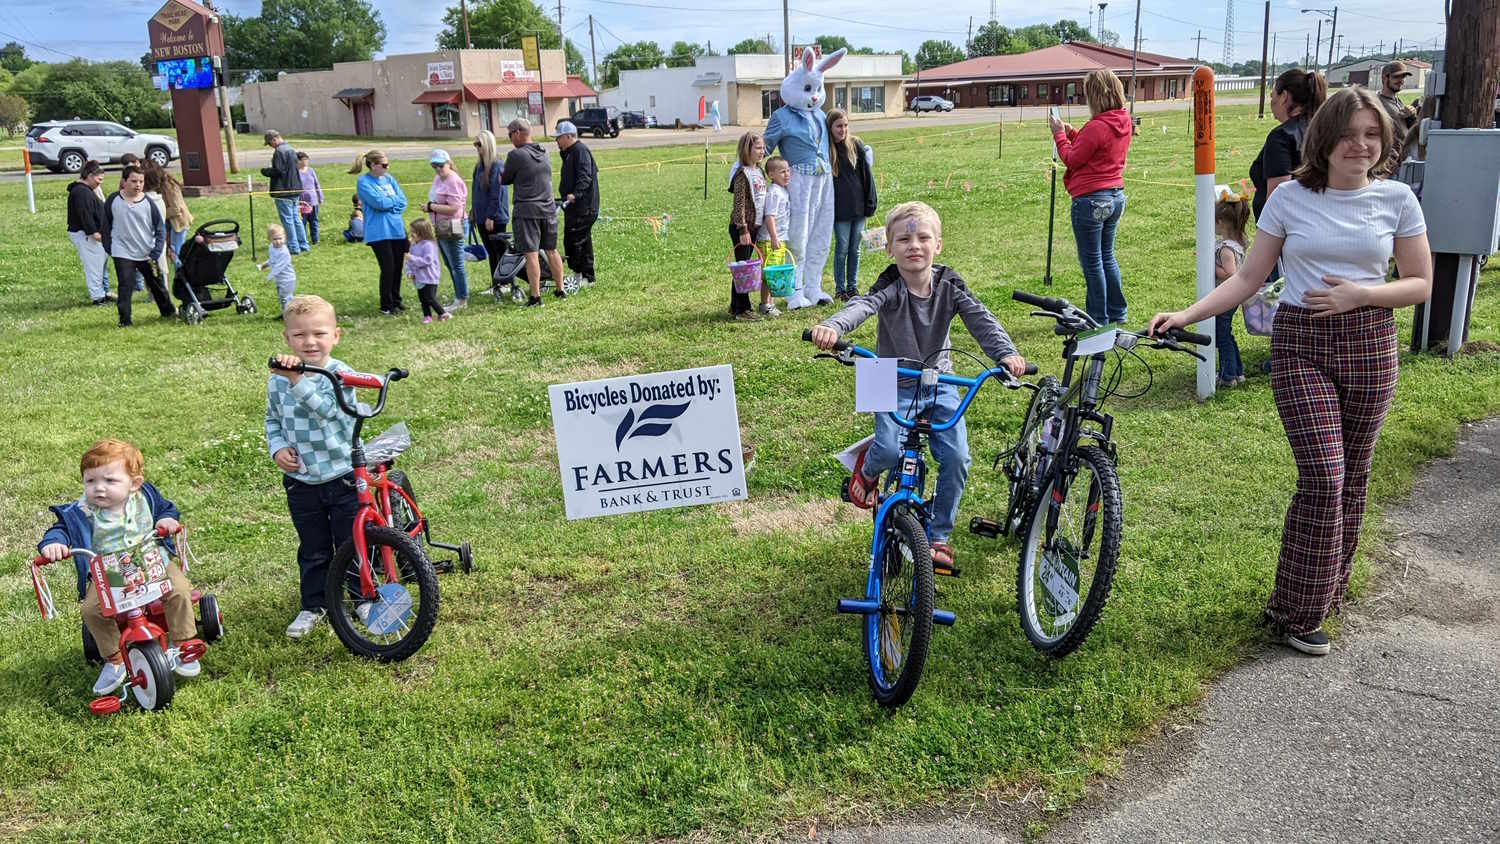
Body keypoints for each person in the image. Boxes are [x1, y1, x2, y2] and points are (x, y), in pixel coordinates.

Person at [1147, 87, 1432, 657]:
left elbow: (1420, 282)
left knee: (1353, 476)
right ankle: (1296, 611)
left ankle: (1328, 589)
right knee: (1324, 476)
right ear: (1324, 139)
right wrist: (1186, 314)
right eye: (1348, 134)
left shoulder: (1398, 199)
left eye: (1371, 135)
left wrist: (1361, 295)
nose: (1360, 145)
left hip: (1371, 344)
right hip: (1301, 344)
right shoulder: (1290, 199)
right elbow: (1248, 277)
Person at [809, 201, 1028, 572]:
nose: (914, 245)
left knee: (957, 458)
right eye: (903, 239)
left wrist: (1005, 353)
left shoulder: (950, 285)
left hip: (938, 378)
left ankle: (938, 537)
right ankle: (866, 471)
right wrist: (833, 326)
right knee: (887, 449)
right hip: (884, 374)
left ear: (937, 245)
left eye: (923, 238)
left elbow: (981, 320)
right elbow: (862, 306)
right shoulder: (889, 284)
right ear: (889, 248)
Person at [37, 439, 199, 695]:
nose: (99, 488)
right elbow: (62, 529)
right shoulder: (81, 511)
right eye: (91, 481)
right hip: (108, 570)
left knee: (178, 589)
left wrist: (167, 519)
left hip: (151, 560)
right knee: (92, 609)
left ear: (134, 483)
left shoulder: (145, 496)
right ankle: (114, 659)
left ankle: (182, 643)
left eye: (110, 481)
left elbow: (166, 509)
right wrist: (54, 543)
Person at [265, 295, 361, 638]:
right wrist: (277, 448)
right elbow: (273, 420)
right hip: (301, 480)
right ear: (287, 338)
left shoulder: (341, 374)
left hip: (342, 474)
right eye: (300, 335)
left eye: (319, 333)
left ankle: (361, 597)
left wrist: (297, 380)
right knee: (313, 548)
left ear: (335, 335)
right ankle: (314, 604)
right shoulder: (278, 379)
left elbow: (329, 413)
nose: (310, 342)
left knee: (352, 542)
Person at [1250, 68, 1327, 373]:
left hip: (1288, 234)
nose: (1270, 100)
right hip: (1317, 228)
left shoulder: (1282, 137)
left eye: (1273, 94)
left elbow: (1278, 196)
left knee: (1284, 294)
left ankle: (1287, 352)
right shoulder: (1319, 131)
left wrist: (1272, 242)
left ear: (1285, 97)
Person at [1050, 69, 1133, 325]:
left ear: (1095, 96)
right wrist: (1072, 133)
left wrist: (1059, 135)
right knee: (1107, 255)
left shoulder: (1097, 126)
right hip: (1115, 196)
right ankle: (1117, 312)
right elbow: (1094, 147)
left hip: (1091, 200)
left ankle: (1097, 318)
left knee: (1093, 262)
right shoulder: (1122, 121)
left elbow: (1073, 158)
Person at [501, 118, 566, 307]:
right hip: (548, 209)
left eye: (510, 135)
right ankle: (560, 289)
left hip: (527, 210)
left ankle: (535, 296)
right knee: (552, 250)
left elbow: (505, 179)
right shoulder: (544, 151)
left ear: (517, 132)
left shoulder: (516, 155)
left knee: (531, 254)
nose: (510, 139)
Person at [103, 165, 173, 327]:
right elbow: (105, 226)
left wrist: (156, 251)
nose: (138, 185)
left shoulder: (148, 202)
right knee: (125, 286)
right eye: (134, 181)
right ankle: (125, 320)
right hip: (122, 251)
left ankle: (168, 312)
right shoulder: (113, 200)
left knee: (156, 284)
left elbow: (160, 228)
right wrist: (110, 247)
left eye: (141, 182)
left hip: (146, 252)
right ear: (124, 181)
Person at [349, 150, 409, 315]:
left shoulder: (389, 179)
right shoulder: (363, 182)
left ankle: (396, 300)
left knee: (397, 267)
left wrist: (391, 204)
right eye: (384, 165)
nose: (387, 167)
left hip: (396, 229)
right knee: (388, 268)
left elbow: (403, 200)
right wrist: (392, 202)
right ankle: (386, 305)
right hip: (379, 232)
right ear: (373, 165)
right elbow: (379, 203)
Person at [828, 108, 877, 302]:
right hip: (840, 209)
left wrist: (871, 201)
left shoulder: (856, 145)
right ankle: (840, 288)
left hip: (859, 207)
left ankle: (852, 286)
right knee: (842, 248)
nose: (843, 130)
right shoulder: (827, 149)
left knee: (855, 248)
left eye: (846, 125)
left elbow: (867, 176)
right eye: (838, 126)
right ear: (830, 127)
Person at [1212, 190, 1252, 386]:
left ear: (1220, 222)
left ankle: (1228, 376)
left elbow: (1230, 274)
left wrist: (1211, 266)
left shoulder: (1227, 249)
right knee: (1226, 333)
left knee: (1222, 336)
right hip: (1230, 298)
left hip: (1225, 297)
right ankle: (1237, 371)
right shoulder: (1238, 241)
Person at [728, 132, 770, 321]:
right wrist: (743, 228)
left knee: (742, 266)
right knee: (743, 270)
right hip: (742, 228)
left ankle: (735, 306)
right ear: (747, 150)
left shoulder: (759, 171)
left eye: (763, 148)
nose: (762, 152)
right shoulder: (742, 174)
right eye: (758, 148)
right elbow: (739, 204)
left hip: (754, 227)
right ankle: (742, 309)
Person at [420, 149, 469, 310]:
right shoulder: (438, 178)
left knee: (457, 264)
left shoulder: (453, 180)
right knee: (449, 263)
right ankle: (458, 295)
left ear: (448, 163)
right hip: (441, 226)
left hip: (453, 225)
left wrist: (431, 207)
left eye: (441, 165)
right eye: (434, 166)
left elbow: (454, 208)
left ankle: (462, 299)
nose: (438, 169)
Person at [556, 121, 599, 287]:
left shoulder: (580, 151)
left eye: (559, 137)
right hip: (574, 207)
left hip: (583, 207)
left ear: (568, 136)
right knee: (582, 240)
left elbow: (585, 176)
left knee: (575, 240)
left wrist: (575, 194)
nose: (557, 141)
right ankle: (586, 276)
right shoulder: (570, 152)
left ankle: (580, 275)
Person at [67, 161, 114, 305]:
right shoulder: (81, 192)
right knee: (94, 266)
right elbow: (85, 214)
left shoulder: (83, 190)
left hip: (89, 234)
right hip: (86, 235)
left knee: (97, 264)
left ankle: (101, 293)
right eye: (99, 179)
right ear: (89, 176)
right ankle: (98, 297)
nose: (99, 183)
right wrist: (94, 232)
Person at [470, 130, 510, 286]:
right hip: (481, 216)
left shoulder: (497, 165)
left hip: (495, 218)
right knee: (491, 251)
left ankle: (505, 283)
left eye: (480, 144)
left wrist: (491, 216)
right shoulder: (479, 167)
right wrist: (474, 211)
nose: (477, 148)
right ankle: (496, 284)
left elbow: (497, 193)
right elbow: (476, 192)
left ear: (488, 145)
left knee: (499, 251)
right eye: (475, 145)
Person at [261, 130, 309, 254]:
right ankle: (303, 245)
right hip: (295, 188)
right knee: (296, 218)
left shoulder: (279, 151)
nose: (271, 146)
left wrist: (265, 171)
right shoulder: (291, 149)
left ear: (274, 139)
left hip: (283, 190)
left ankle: (294, 247)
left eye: (270, 143)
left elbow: (278, 171)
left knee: (288, 220)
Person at [754, 156, 791, 317]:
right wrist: (774, 237)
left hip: (779, 239)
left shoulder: (782, 190)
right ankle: (765, 304)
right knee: (769, 274)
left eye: (788, 171)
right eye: (782, 172)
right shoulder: (774, 192)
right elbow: (769, 216)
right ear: (771, 175)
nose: (787, 174)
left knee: (774, 272)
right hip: (769, 240)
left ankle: (770, 303)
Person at [405, 218, 451, 323]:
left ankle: (443, 313)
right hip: (418, 278)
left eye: (414, 232)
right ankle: (427, 316)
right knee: (423, 299)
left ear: (422, 233)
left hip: (430, 277)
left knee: (430, 298)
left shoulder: (428, 245)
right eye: (411, 231)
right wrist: (409, 272)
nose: (411, 234)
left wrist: (412, 258)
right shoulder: (413, 246)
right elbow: (408, 262)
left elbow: (427, 260)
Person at [1375, 62, 1417, 175]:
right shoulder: (1376, 102)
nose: (1401, 80)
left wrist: (1411, 116)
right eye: (1396, 77)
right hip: (1387, 167)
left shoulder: (1398, 102)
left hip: (1402, 162)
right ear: (1385, 78)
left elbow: (1405, 132)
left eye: (1403, 77)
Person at [257, 222, 296, 315]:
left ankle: (289, 315)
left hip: (287, 279)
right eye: (275, 239)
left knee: (286, 298)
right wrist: (264, 265)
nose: (278, 241)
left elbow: (279, 267)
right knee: (282, 297)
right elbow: (273, 259)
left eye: (280, 238)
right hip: (279, 279)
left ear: (284, 238)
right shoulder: (272, 247)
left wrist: (269, 277)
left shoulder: (284, 253)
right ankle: (287, 313)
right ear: (269, 239)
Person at [296, 152, 324, 246]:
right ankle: (303, 241)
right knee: (302, 222)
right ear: (298, 161)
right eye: (304, 159)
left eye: (307, 159)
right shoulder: (296, 172)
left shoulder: (311, 170)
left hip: (313, 201)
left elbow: (317, 184)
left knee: (314, 221)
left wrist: (320, 196)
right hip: (301, 202)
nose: (306, 161)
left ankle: (315, 240)